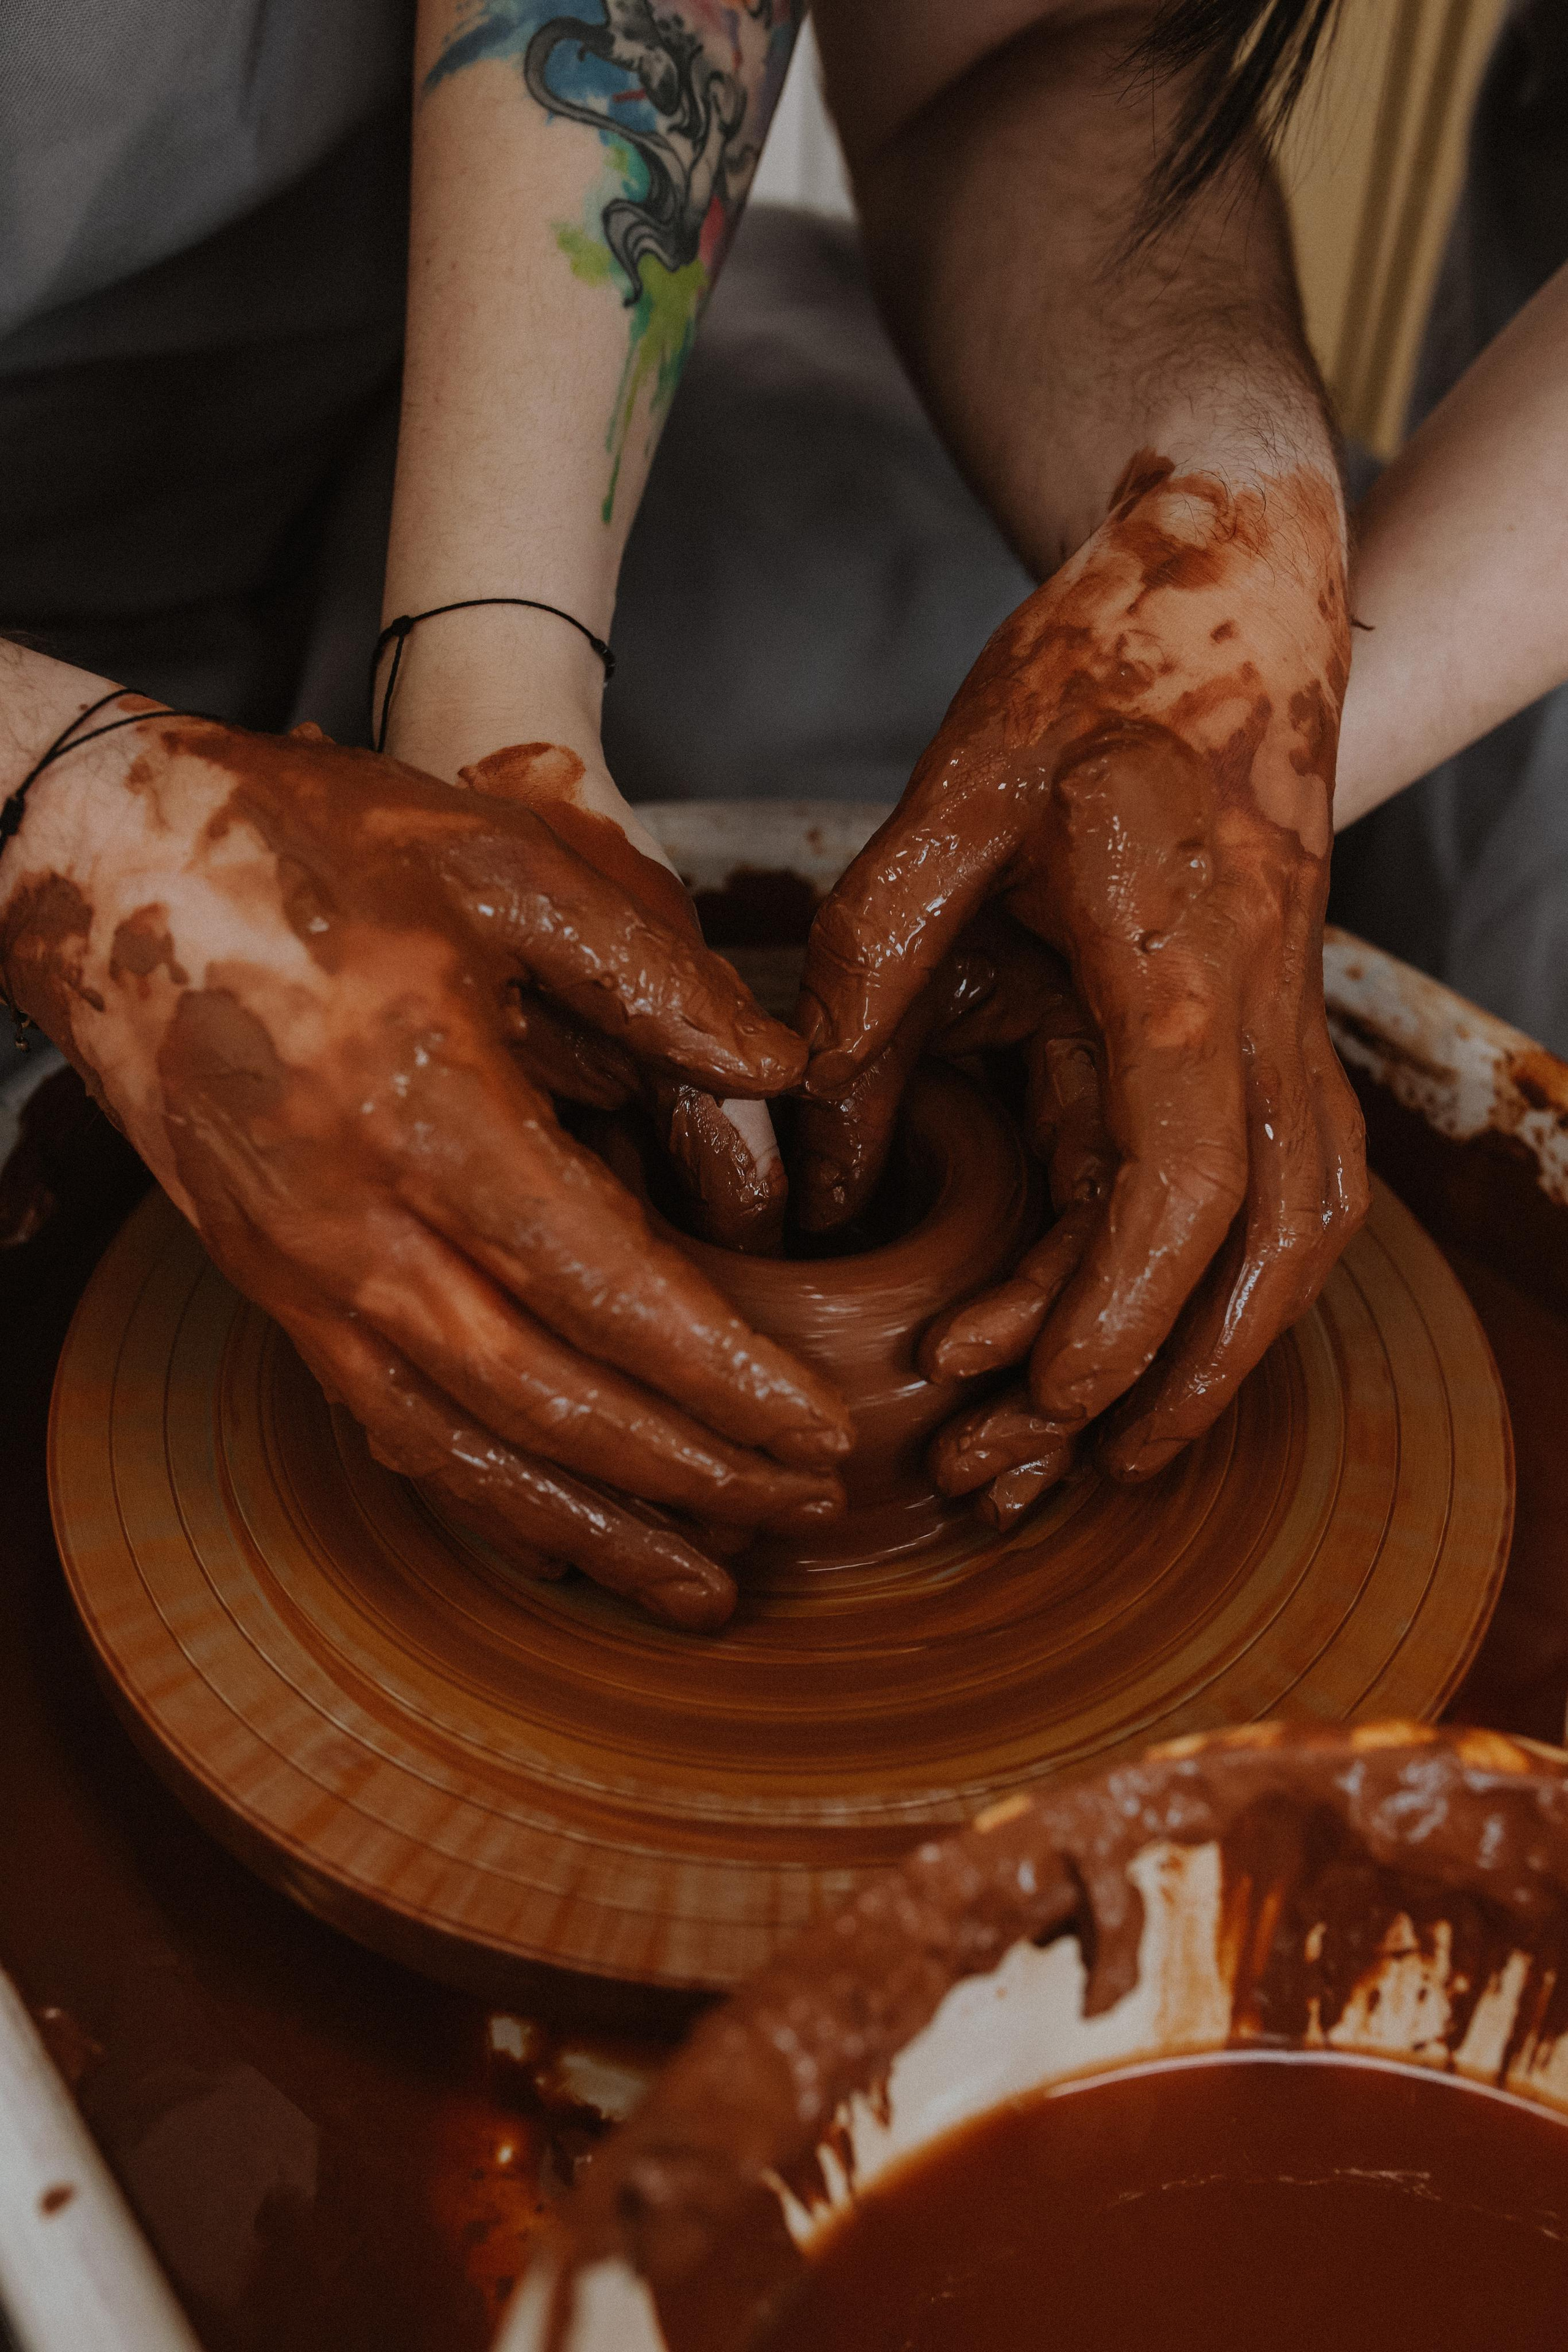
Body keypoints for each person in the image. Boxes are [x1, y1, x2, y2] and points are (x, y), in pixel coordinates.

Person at [0, 1, 1549, 1627]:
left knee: (895, 668)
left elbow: (996, 57)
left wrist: (496, 673)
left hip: (352, 394)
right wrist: (59, 809)